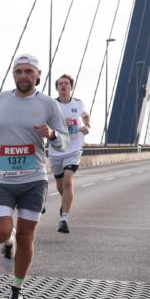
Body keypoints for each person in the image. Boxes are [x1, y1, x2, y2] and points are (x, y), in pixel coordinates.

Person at [0, 54, 68, 299]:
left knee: (27, 236)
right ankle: (7, 243)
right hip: (1, 179)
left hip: (34, 179)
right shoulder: (0, 99)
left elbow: (65, 140)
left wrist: (52, 134)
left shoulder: (48, 104)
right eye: (19, 71)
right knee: (1, 232)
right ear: (13, 75)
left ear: (38, 75)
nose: (23, 76)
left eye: (29, 71)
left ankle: (16, 289)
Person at [48, 74, 89, 234]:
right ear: (57, 88)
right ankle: (65, 202)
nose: (63, 86)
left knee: (67, 181)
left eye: (66, 84)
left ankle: (64, 218)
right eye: (60, 84)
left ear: (71, 87)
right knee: (60, 185)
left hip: (74, 148)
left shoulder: (78, 103)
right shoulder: (51, 104)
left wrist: (87, 126)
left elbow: (85, 116)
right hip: (56, 149)